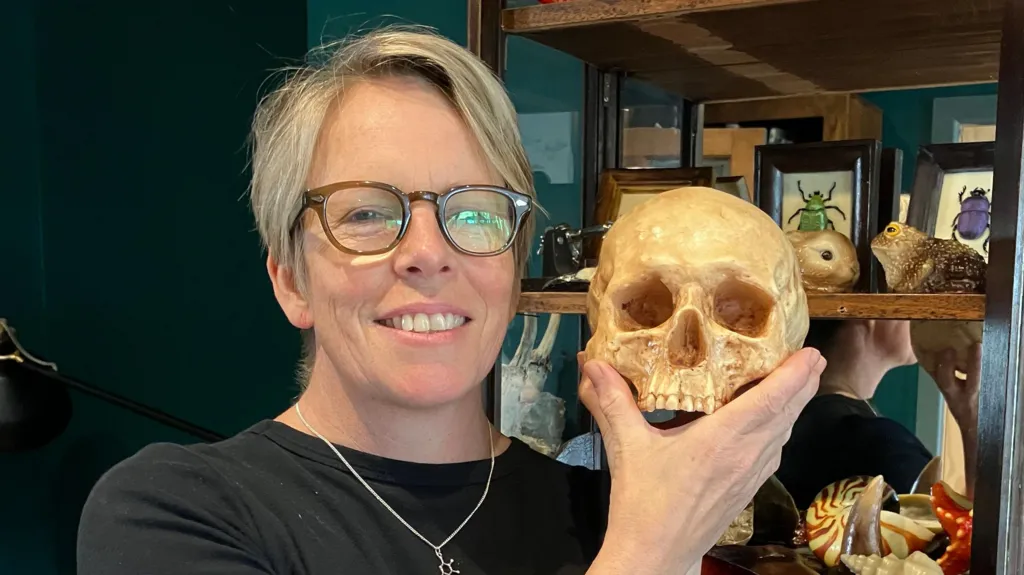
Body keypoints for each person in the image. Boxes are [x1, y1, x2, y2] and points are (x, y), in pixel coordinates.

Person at [76, 26, 825, 575]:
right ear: (290, 280)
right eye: (367, 212)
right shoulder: (174, 513)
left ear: (515, 267)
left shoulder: (602, 513)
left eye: (474, 212)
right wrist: (651, 550)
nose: (428, 251)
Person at [775, 318, 980, 510]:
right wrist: (974, 425)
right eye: (907, 302)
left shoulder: (787, 420)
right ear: (869, 315)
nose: (917, 316)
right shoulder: (879, 445)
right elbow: (963, 531)